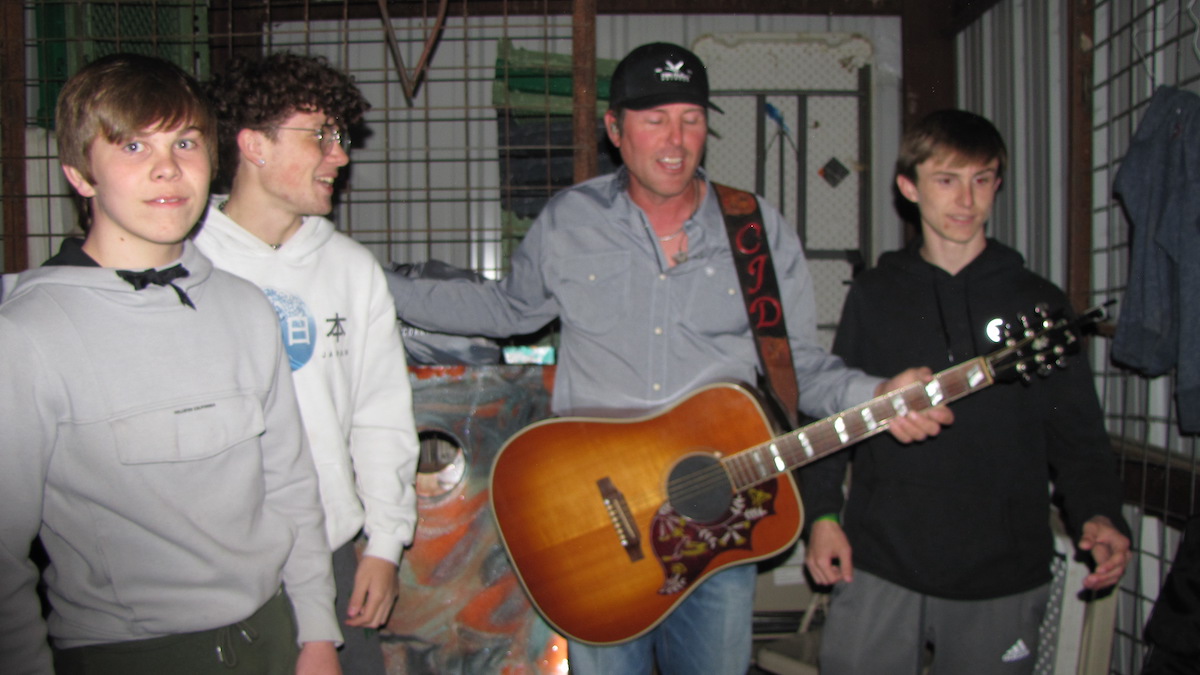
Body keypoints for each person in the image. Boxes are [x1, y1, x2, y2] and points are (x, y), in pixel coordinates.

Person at [385, 41, 951, 675]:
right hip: (596, 521)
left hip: (718, 521)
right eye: (655, 119)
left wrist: (876, 395)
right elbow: (506, 310)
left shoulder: (755, 230)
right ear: (615, 130)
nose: (676, 139)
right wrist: (371, 285)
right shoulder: (571, 221)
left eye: (691, 118)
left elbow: (800, 369)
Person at [0, 53, 341, 674]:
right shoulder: (28, 333)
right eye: (133, 146)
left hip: (274, 635)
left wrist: (317, 631)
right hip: (130, 654)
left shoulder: (245, 308)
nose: (167, 168)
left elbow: (290, 485)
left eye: (185, 142)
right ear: (80, 174)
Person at [800, 109, 1132, 675]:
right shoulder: (875, 294)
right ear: (909, 187)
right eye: (946, 180)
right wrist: (823, 515)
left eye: (982, 179)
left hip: (1002, 571)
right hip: (881, 562)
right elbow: (835, 412)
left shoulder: (1039, 302)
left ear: (997, 184)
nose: (966, 199)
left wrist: (1098, 514)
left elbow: (1078, 433)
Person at [196, 52, 419, 675]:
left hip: (331, 549)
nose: (340, 156)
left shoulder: (351, 268)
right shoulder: (188, 261)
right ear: (254, 145)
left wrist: (385, 543)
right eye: (319, 136)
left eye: (339, 137)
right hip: (213, 565)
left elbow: (380, 415)